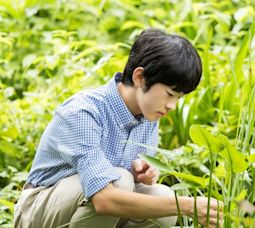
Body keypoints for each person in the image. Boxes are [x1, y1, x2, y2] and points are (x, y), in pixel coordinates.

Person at [14, 29, 223, 228]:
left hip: (91, 211)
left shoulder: (149, 113)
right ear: (140, 77)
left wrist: (143, 175)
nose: (172, 106)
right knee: (119, 182)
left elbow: (134, 182)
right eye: (169, 94)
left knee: (162, 198)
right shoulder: (84, 111)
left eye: (179, 98)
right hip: (38, 211)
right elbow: (104, 200)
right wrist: (187, 206)